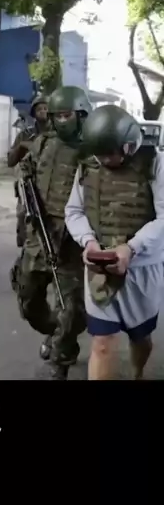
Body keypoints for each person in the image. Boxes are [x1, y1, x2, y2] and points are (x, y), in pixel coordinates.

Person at [65, 104, 164, 380]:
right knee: (102, 343)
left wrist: (131, 248)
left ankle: (137, 373)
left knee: (141, 338)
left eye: (110, 153)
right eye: (100, 154)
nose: (105, 160)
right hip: (100, 271)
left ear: (129, 144)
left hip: (142, 270)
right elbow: (74, 211)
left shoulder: (155, 163)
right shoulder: (88, 166)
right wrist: (88, 243)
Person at [10, 86, 91, 380]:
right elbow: (24, 168)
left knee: (72, 309)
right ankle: (56, 332)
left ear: (82, 114)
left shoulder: (93, 149)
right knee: (29, 302)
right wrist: (24, 181)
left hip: (71, 242)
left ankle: (61, 358)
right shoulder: (43, 142)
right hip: (38, 236)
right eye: (57, 116)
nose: (60, 121)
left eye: (67, 115)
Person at [7, 96, 49, 247]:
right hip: (29, 185)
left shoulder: (57, 136)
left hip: (50, 186)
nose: (43, 111)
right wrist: (22, 147)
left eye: (46, 108)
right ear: (33, 113)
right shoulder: (25, 135)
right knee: (24, 217)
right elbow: (10, 161)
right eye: (39, 109)